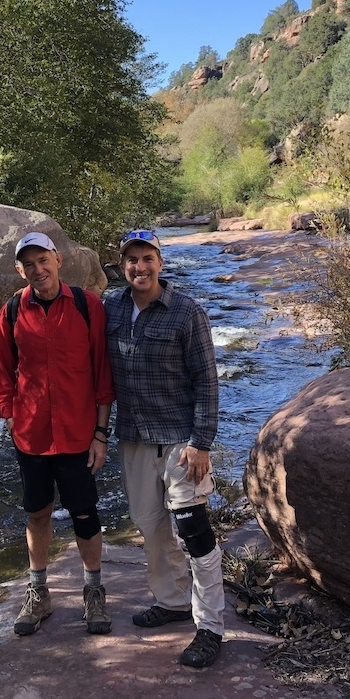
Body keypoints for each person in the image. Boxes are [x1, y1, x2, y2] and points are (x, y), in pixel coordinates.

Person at [104, 228, 224, 668]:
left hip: (179, 439)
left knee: (192, 529)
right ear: (122, 267)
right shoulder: (110, 308)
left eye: (147, 258)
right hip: (134, 435)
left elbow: (207, 382)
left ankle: (209, 625)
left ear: (161, 263)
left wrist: (201, 442)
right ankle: (172, 600)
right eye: (132, 260)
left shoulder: (186, 312)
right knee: (149, 525)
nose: (140, 267)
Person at [0, 231, 116, 637]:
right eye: (28, 264)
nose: (37, 270)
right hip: (32, 435)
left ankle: (93, 593)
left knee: (85, 513)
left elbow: (102, 372)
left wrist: (101, 434)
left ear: (57, 259)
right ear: (19, 269)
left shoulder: (87, 305)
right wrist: (9, 414)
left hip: (79, 433)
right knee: (37, 512)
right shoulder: (12, 311)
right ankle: (38, 592)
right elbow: (1, 369)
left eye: (43, 260)